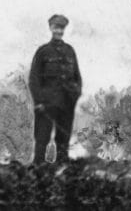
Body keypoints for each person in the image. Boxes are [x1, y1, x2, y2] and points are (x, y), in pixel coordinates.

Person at [28, 14, 82, 164]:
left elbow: (77, 76)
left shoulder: (70, 51)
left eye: (61, 28)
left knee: (63, 136)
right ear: (51, 28)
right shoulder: (43, 52)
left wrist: (75, 95)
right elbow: (34, 79)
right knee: (42, 136)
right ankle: (38, 166)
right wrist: (39, 101)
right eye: (56, 28)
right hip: (47, 102)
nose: (59, 31)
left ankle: (62, 166)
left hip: (66, 102)